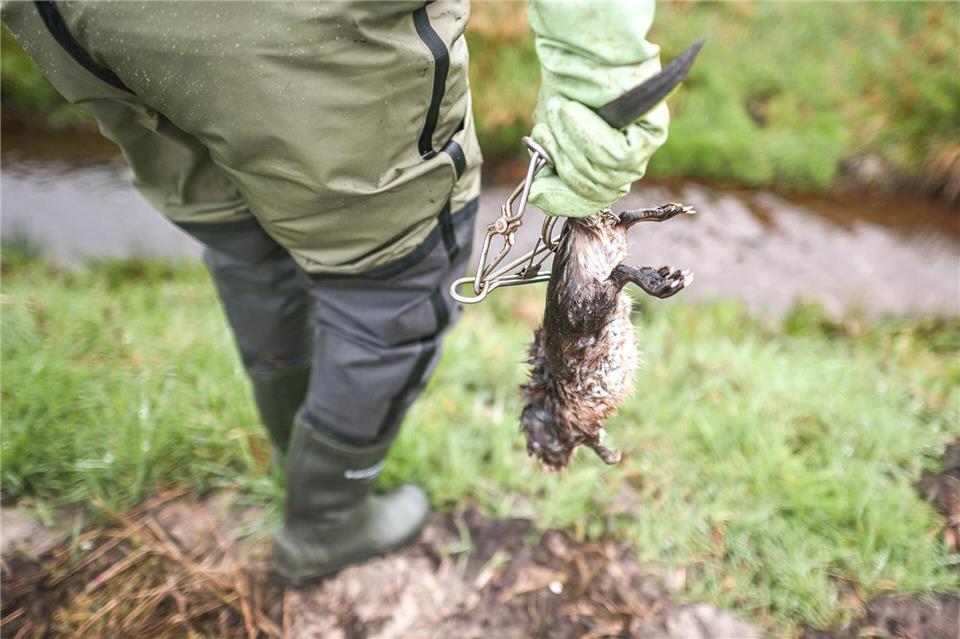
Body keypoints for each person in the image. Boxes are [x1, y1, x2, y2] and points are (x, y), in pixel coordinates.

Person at [2, 0, 668, 582]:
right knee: (393, 285)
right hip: (296, 26)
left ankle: (300, 451)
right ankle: (324, 520)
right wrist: (600, 85)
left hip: (72, 23)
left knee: (244, 234)